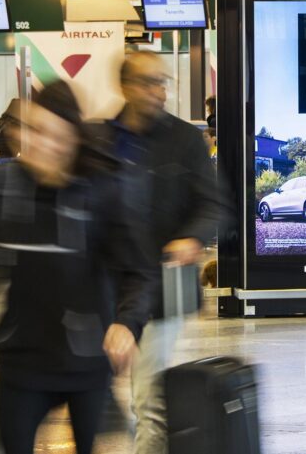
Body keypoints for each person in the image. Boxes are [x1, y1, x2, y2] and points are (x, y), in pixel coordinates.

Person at [0, 82, 156, 454]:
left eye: (57, 136)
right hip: (21, 362)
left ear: (74, 139)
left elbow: (141, 269)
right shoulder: (5, 188)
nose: (44, 145)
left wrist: (127, 322)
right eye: (36, 131)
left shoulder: (101, 190)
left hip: (87, 363)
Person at [94, 51, 228, 454]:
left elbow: (214, 204)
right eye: (148, 82)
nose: (159, 91)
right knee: (94, 391)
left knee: (148, 397)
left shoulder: (184, 139)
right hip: (109, 286)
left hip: (163, 285)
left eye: (162, 82)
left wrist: (191, 238)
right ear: (125, 86)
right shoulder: (102, 140)